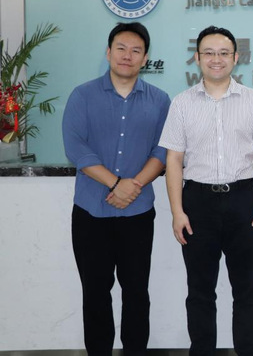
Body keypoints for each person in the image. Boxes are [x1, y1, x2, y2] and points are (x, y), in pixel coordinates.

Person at [159, 25, 253, 356]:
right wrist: (178, 212)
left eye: (224, 53)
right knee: (199, 291)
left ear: (236, 58)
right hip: (197, 203)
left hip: (244, 200)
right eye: (208, 53)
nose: (216, 59)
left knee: (247, 290)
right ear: (197, 58)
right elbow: (174, 160)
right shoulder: (182, 104)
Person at [62, 22, 171, 356]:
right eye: (121, 48)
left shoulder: (160, 100)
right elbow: (76, 148)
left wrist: (133, 186)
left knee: (136, 292)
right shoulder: (82, 96)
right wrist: (116, 184)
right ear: (108, 52)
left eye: (136, 51)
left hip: (137, 214)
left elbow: (162, 151)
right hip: (90, 212)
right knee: (95, 293)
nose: (128, 55)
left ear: (145, 58)